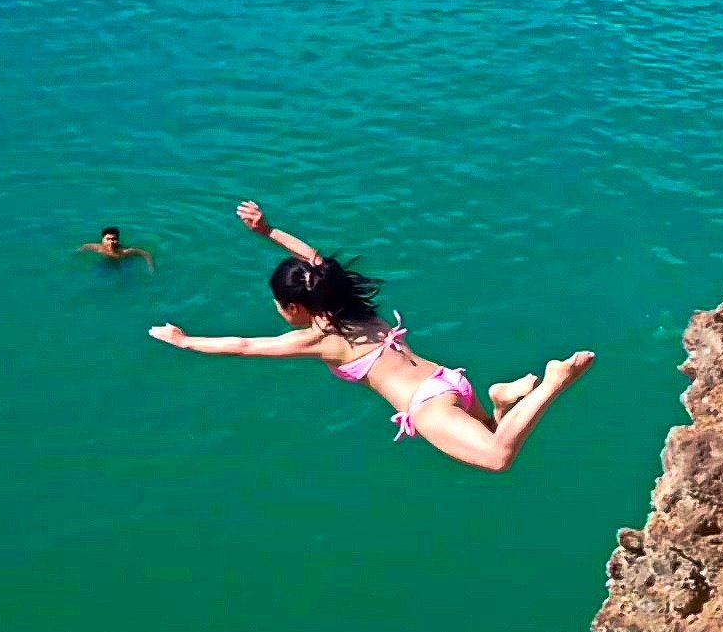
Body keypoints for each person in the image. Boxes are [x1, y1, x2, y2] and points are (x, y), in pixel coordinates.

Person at [147, 202, 595, 473]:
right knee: (495, 430)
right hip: (448, 380)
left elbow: (244, 346)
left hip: (427, 405)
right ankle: (498, 398)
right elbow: (317, 261)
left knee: (497, 456)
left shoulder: (320, 339)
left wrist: (185, 341)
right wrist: (268, 231)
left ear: (294, 308)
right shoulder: (350, 304)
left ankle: (555, 381)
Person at [81, 226, 154, 269]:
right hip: (105, 262)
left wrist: (150, 266)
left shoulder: (125, 251)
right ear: (103, 239)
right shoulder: (96, 247)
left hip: (122, 263)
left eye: (113, 239)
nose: (111, 242)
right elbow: (82, 248)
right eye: (108, 239)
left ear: (118, 240)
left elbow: (146, 254)